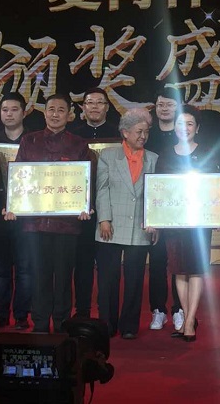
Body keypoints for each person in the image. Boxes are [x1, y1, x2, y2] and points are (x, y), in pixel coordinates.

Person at [4, 93, 92, 334]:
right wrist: (12, 204)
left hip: (67, 224)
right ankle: (41, 323)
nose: (55, 114)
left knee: (64, 276)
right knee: (38, 274)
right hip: (35, 223)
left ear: (70, 115)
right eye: (51, 109)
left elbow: (86, 181)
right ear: (44, 113)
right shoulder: (29, 141)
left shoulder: (79, 144)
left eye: (61, 110)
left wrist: (85, 205)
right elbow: (19, 177)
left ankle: (62, 323)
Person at [155, 106, 218, 342]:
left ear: (197, 128)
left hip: (200, 222)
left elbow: (215, 188)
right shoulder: (165, 155)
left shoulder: (207, 153)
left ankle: (190, 320)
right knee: (179, 269)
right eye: (181, 123)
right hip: (174, 222)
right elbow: (158, 190)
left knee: (196, 269)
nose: (185, 128)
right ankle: (185, 314)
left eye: (190, 124)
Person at [95, 108, 158, 339]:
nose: (143, 136)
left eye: (146, 132)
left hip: (139, 226)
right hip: (110, 225)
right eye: (139, 131)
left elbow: (156, 194)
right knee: (107, 278)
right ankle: (107, 324)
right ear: (125, 132)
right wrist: (104, 218)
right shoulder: (108, 155)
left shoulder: (153, 158)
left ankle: (129, 326)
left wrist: (154, 221)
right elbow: (102, 190)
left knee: (135, 279)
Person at [70, 88, 120, 319]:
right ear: (83, 107)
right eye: (90, 102)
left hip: (110, 209)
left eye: (100, 102)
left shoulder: (119, 134)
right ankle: (82, 311)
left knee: (108, 264)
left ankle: (107, 313)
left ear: (107, 107)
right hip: (80, 209)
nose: (95, 107)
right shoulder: (73, 135)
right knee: (82, 263)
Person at [0, 93, 32, 330]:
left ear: (24, 112)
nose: (9, 114)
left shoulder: (34, 142)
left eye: (14, 109)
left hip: (26, 217)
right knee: (0, 270)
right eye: (5, 110)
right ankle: (0, 314)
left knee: (25, 269)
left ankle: (22, 316)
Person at [145, 88, 183, 333]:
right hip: (155, 205)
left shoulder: (183, 134)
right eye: (161, 105)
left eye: (170, 105)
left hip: (180, 207)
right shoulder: (148, 135)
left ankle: (179, 309)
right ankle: (158, 310)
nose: (165, 109)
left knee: (179, 260)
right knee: (157, 261)